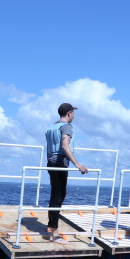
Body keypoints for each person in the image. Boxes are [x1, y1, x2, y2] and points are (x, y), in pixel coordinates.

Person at [44, 103, 88, 244]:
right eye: (73, 113)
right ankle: (54, 234)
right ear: (69, 113)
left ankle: (51, 225)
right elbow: (64, 145)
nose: (74, 116)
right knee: (58, 195)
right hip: (59, 162)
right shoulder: (66, 127)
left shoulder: (51, 127)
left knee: (56, 194)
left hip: (51, 162)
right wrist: (77, 164)